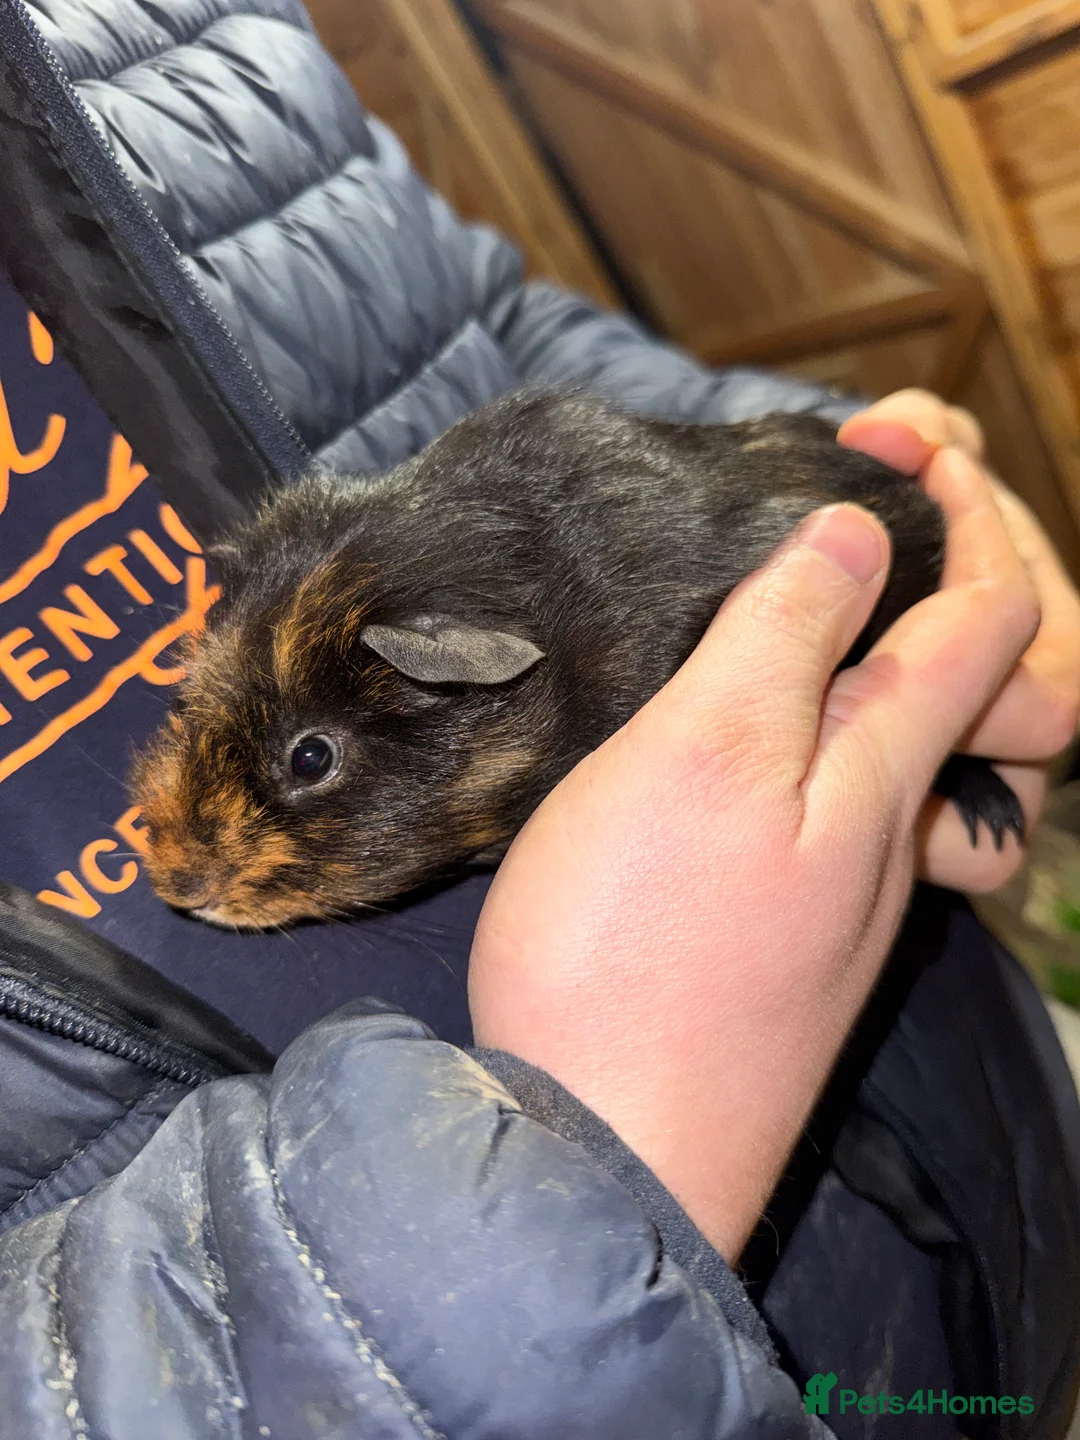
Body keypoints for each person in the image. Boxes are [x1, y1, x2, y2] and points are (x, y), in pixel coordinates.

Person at [0, 1, 1076, 1435]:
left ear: (464, 667)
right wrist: (572, 1154)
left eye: (300, 763)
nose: (173, 851)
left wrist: (881, 507)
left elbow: (488, 325)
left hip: (981, 1179)